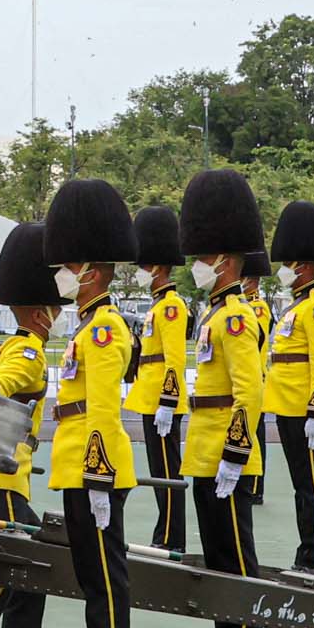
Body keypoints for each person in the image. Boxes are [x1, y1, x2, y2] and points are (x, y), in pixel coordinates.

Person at [40, 179, 139, 628]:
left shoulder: (103, 329)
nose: (62, 275)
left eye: (70, 266)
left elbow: (102, 408)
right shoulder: (85, 327)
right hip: (79, 464)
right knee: (93, 579)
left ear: (92, 273)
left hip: (93, 467)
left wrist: (98, 476)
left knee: (105, 581)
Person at [178, 168, 267, 628]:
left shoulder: (234, 317)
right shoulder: (214, 313)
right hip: (207, 451)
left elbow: (248, 389)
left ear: (226, 262)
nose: (197, 266)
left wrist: (236, 452)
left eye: (204, 258)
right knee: (219, 560)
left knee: (236, 561)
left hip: (224, 456)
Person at [0, 221, 62, 628]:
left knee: (39, 551)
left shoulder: (5, 345)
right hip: (4, 476)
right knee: (14, 562)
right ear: (40, 311)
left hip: (2, 474)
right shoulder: (26, 352)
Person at [263, 200, 314, 574]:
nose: (284, 270)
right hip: (287, 406)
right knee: (301, 488)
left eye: (289, 264)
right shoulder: (295, 307)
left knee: (312, 488)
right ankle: (306, 553)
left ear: (305, 265)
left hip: (304, 411)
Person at [122, 204, 191, 550]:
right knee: (161, 471)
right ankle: (164, 533)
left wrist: (168, 401)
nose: (141, 272)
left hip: (161, 400)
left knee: (168, 473)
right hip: (150, 395)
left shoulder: (172, 306)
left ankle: (171, 538)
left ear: (160, 267)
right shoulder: (158, 305)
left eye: (146, 266)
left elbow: (174, 359)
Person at [240, 246, 274, 505]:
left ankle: (255, 485)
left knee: (255, 434)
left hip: (257, 375)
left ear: (251, 280)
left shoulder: (258, 308)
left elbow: (256, 343)